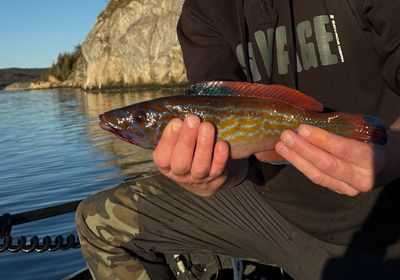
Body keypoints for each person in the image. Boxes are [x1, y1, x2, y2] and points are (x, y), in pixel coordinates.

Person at [76, 0, 400, 279]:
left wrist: (395, 149)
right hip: (273, 210)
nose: (126, 123)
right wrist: (214, 174)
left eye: (140, 119)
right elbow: (236, 160)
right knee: (97, 220)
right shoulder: (202, 11)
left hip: (387, 214)